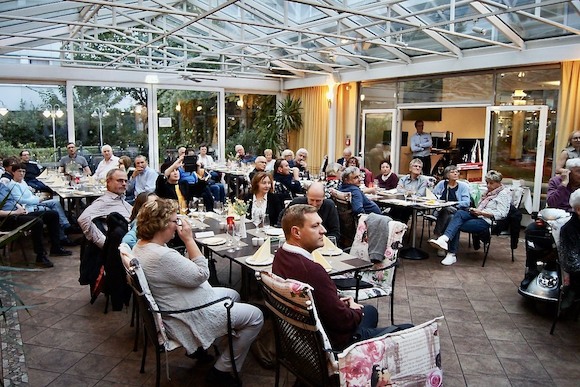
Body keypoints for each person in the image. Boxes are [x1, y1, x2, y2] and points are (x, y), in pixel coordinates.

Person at [132, 198, 263, 385]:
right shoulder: (162, 255)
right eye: (174, 221)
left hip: (178, 304)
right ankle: (222, 370)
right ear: (161, 225)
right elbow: (202, 274)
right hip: (185, 317)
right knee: (256, 316)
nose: (177, 225)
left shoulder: (141, 246)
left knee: (233, 295)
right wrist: (188, 239)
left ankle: (205, 346)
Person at [272, 204, 412, 350]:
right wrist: (355, 310)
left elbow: (321, 301)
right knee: (407, 328)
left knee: (370, 311)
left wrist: (339, 303)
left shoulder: (281, 256)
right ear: (296, 232)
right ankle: (364, 352)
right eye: (315, 226)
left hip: (305, 338)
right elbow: (342, 322)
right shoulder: (313, 271)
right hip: (337, 344)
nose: (323, 230)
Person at [429, 170, 510, 266]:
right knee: (457, 214)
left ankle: (450, 250)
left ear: (499, 183)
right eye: (487, 183)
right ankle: (446, 242)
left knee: (453, 221)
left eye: (491, 183)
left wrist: (482, 213)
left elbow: (502, 213)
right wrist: (475, 211)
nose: (488, 185)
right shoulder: (488, 192)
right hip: (477, 215)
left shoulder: (503, 194)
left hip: (487, 220)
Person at [0, 184, 70, 267]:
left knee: (53, 214)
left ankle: (56, 247)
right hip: (7, 219)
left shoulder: (2, 186)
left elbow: (13, 201)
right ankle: (40, 256)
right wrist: (15, 212)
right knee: (37, 222)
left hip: (19, 213)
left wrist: (20, 208)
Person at [5, 164, 76, 246]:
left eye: (23, 171)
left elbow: (30, 195)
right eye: (19, 171)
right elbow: (20, 200)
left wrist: (39, 197)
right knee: (53, 212)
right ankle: (62, 237)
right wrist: (38, 200)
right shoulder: (13, 185)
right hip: (29, 207)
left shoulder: (23, 182)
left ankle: (65, 225)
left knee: (55, 202)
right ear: (13, 172)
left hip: (35, 202)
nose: (21, 173)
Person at [78, 169, 133, 249]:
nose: (124, 184)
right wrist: (104, 243)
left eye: (125, 181)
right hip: (123, 244)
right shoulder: (104, 201)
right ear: (108, 182)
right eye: (120, 181)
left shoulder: (122, 201)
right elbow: (83, 219)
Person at [430, 165, 471, 257]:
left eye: (457, 172)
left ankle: (439, 236)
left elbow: (467, 202)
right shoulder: (442, 184)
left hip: (458, 210)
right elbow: (432, 195)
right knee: (449, 215)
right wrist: (439, 200)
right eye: (452, 172)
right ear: (447, 175)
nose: (456, 173)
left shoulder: (463, 186)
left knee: (448, 210)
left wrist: (453, 204)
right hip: (441, 210)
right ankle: (444, 242)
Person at [388, 159, 429, 223]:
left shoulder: (423, 181)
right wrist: (411, 192)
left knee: (404, 209)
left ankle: (400, 228)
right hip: (401, 201)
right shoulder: (403, 179)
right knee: (395, 208)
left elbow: (420, 194)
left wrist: (406, 191)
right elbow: (398, 190)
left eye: (420, 167)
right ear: (410, 168)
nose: (418, 168)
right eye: (415, 166)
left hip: (415, 204)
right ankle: (391, 226)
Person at [559, 190, 580, 309]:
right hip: (575, 270)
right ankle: (572, 291)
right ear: (578, 210)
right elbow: (572, 260)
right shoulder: (569, 229)